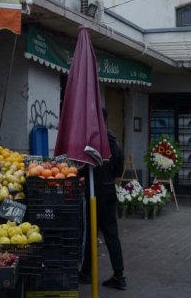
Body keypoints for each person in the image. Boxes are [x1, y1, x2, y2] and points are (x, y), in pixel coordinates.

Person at [80, 108, 126, 290]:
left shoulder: (94, 143)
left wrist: (77, 173)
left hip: (95, 193)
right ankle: (119, 275)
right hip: (109, 192)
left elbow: (86, 168)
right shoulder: (113, 140)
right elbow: (118, 169)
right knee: (111, 235)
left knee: (90, 233)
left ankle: (86, 273)